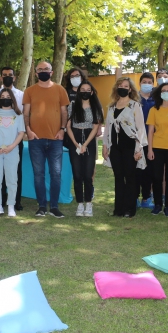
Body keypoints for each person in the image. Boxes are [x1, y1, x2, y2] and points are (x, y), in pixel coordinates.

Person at [23, 61, 69, 218]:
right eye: (40, 69)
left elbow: (64, 112)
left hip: (56, 139)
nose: (43, 71)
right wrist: (28, 130)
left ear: (52, 72)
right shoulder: (29, 91)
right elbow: (26, 113)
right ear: (36, 73)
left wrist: (62, 130)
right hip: (35, 140)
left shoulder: (60, 89)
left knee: (56, 173)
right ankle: (42, 206)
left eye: (46, 69)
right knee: (38, 174)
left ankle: (54, 207)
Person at [103, 77, 147, 217]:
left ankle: (130, 209)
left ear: (130, 89)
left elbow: (141, 129)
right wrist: (105, 146)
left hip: (130, 148)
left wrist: (138, 149)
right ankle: (118, 209)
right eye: (120, 85)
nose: (122, 87)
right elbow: (108, 128)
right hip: (115, 148)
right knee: (118, 177)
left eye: (125, 86)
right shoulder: (111, 107)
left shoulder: (135, 106)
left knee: (130, 178)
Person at [0, 66, 25, 211]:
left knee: (13, 178)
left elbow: (21, 132)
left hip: (13, 148)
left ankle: (13, 203)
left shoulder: (18, 112)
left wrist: (12, 146)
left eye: (8, 98)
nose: (5, 99)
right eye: (2, 98)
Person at [66, 79, 103, 217]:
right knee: (77, 174)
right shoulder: (72, 105)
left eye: (88, 90)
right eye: (82, 90)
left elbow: (95, 127)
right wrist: (76, 144)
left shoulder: (96, 107)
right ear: (78, 92)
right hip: (74, 138)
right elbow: (68, 126)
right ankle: (80, 204)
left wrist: (85, 144)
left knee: (88, 174)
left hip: (89, 139)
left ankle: (89, 203)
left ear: (92, 92)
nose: (85, 92)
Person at [147, 82, 168, 217]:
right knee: (156, 177)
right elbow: (150, 131)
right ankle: (157, 205)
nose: (166, 92)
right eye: (164, 90)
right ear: (159, 93)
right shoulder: (154, 110)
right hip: (157, 147)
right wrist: (150, 150)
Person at [136, 72, 155, 209]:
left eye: (149, 82)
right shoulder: (134, 99)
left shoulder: (156, 100)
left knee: (149, 171)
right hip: (135, 139)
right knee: (135, 170)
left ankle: (146, 198)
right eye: (144, 82)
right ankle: (134, 197)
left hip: (152, 140)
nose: (147, 84)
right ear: (140, 83)